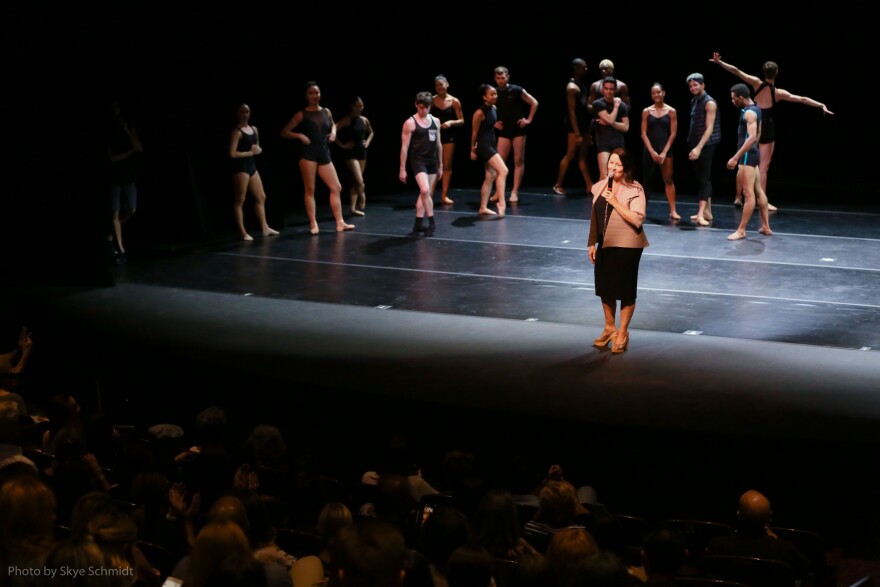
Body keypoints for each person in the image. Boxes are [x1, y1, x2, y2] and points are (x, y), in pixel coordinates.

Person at [710, 52, 834, 210]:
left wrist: (719, 62)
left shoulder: (756, 83)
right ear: (777, 73)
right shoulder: (778, 93)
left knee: (743, 162)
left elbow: (737, 71)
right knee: (763, 167)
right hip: (766, 125)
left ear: (763, 72)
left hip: (753, 120)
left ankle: (739, 197)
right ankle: (761, 200)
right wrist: (821, 104)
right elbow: (801, 99)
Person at [587, 148, 649, 355]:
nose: (613, 167)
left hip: (628, 244)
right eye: (611, 163)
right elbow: (595, 217)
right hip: (605, 243)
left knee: (624, 290)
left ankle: (622, 332)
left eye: (618, 165)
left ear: (626, 168)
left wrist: (615, 201)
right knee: (605, 287)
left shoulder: (635, 189)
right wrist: (591, 243)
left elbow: (637, 219)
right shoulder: (600, 186)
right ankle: (609, 327)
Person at [280, 81, 354, 235]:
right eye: (311, 93)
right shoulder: (302, 114)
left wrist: (333, 132)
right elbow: (284, 132)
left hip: (324, 152)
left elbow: (333, 125)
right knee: (310, 189)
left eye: (317, 93)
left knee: (336, 187)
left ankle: (340, 223)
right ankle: (313, 223)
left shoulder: (326, 111)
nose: (315, 96)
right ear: (306, 96)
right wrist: (299, 135)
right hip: (308, 153)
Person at [705, 489, 812, 583]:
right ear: (769, 518)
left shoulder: (716, 546)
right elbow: (807, 570)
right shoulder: (783, 550)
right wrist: (776, 538)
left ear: (738, 514)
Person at [726, 83, 772, 241]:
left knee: (748, 194)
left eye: (733, 99)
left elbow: (752, 138)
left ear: (740, 97)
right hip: (753, 154)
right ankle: (766, 226)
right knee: (759, 190)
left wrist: (735, 157)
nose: (732, 101)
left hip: (747, 156)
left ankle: (741, 230)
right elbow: (758, 135)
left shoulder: (749, 113)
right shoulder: (757, 109)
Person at [230, 103, 280, 241]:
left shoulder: (254, 129)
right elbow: (232, 153)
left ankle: (265, 227)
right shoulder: (237, 132)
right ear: (237, 114)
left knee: (261, 197)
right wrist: (248, 153)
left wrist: (259, 150)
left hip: (252, 166)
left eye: (247, 112)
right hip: (241, 168)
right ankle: (243, 232)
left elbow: (257, 147)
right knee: (240, 199)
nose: (245, 114)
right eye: (242, 112)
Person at [492, 66, 538, 203]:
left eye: (503, 77)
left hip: (518, 129)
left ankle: (514, 191)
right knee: (499, 162)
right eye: (498, 78)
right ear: (495, 78)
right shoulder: (493, 92)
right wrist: (493, 122)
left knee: (518, 160)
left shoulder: (516, 89)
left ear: (508, 77)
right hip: (504, 130)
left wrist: (528, 119)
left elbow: (534, 102)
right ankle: (498, 192)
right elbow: (487, 108)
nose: (501, 80)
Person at [399, 91, 443, 234]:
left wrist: (440, 165)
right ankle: (432, 223)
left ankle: (418, 224)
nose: (424, 110)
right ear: (416, 106)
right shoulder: (410, 123)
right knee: (424, 190)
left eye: (426, 107)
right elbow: (404, 147)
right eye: (421, 107)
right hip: (418, 161)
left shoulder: (435, 121)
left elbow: (438, 144)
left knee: (425, 194)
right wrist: (402, 169)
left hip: (431, 160)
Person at [108, 97, 142, 264]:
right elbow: (112, 158)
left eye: (117, 106)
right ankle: (121, 249)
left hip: (129, 175)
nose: (116, 110)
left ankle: (108, 235)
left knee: (131, 209)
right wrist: (130, 151)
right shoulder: (107, 131)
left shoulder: (127, 126)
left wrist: (129, 133)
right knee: (114, 212)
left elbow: (139, 148)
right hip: (114, 177)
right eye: (113, 106)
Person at [553, 58, 594, 196]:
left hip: (584, 125)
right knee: (570, 154)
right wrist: (577, 134)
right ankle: (558, 185)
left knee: (583, 156)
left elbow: (584, 108)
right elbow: (571, 111)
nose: (586, 69)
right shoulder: (572, 87)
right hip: (574, 127)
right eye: (584, 67)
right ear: (576, 68)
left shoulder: (581, 85)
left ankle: (589, 185)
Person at [640, 83, 680, 220]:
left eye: (658, 92)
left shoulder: (671, 111)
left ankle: (673, 210)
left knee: (668, 180)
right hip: (650, 150)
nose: (656, 95)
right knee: (647, 181)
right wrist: (652, 152)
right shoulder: (646, 111)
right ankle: (642, 210)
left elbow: (673, 133)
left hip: (665, 150)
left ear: (663, 93)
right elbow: (643, 133)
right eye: (653, 93)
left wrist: (663, 152)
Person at [685, 73, 720, 226]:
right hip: (695, 144)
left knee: (705, 178)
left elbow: (709, 128)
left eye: (695, 84)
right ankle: (707, 212)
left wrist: (699, 147)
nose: (693, 87)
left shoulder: (709, 102)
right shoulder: (694, 100)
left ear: (703, 85)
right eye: (691, 85)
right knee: (701, 178)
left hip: (706, 145)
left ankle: (701, 214)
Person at [471, 84, 508, 218]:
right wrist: (472, 150)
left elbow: (488, 125)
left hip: (491, 144)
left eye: (495, 94)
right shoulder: (479, 113)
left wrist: (494, 125)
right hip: (484, 146)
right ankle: (502, 203)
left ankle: (483, 207)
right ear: (484, 97)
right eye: (491, 94)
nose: (494, 96)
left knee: (490, 177)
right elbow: (474, 133)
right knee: (503, 170)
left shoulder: (494, 108)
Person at [335, 96, 374, 217]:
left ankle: (352, 208)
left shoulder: (364, 120)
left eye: (361, 106)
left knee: (355, 182)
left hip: (362, 153)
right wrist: (342, 145)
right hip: (350, 153)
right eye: (356, 106)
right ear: (351, 106)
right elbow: (333, 130)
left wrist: (367, 142)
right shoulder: (347, 119)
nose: (359, 108)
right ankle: (362, 196)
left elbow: (371, 132)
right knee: (359, 181)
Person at [430, 75, 464, 206]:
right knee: (434, 165)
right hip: (434, 135)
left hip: (449, 135)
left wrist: (451, 122)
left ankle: (444, 195)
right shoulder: (432, 101)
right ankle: (430, 194)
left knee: (447, 165)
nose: (439, 87)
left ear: (447, 84)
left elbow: (462, 120)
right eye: (436, 85)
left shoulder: (455, 101)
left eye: (441, 84)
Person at [592, 77, 630, 181]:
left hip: (618, 142)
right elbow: (610, 119)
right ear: (602, 89)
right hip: (604, 142)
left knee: (619, 175)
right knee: (604, 175)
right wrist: (616, 107)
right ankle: (600, 197)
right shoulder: (598, 104)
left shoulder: (623, 106)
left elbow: (626, 127)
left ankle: (618, 197)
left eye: (611, 89)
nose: (609, 91)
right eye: (606, 88)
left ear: (615, 89)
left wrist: (610, 123)